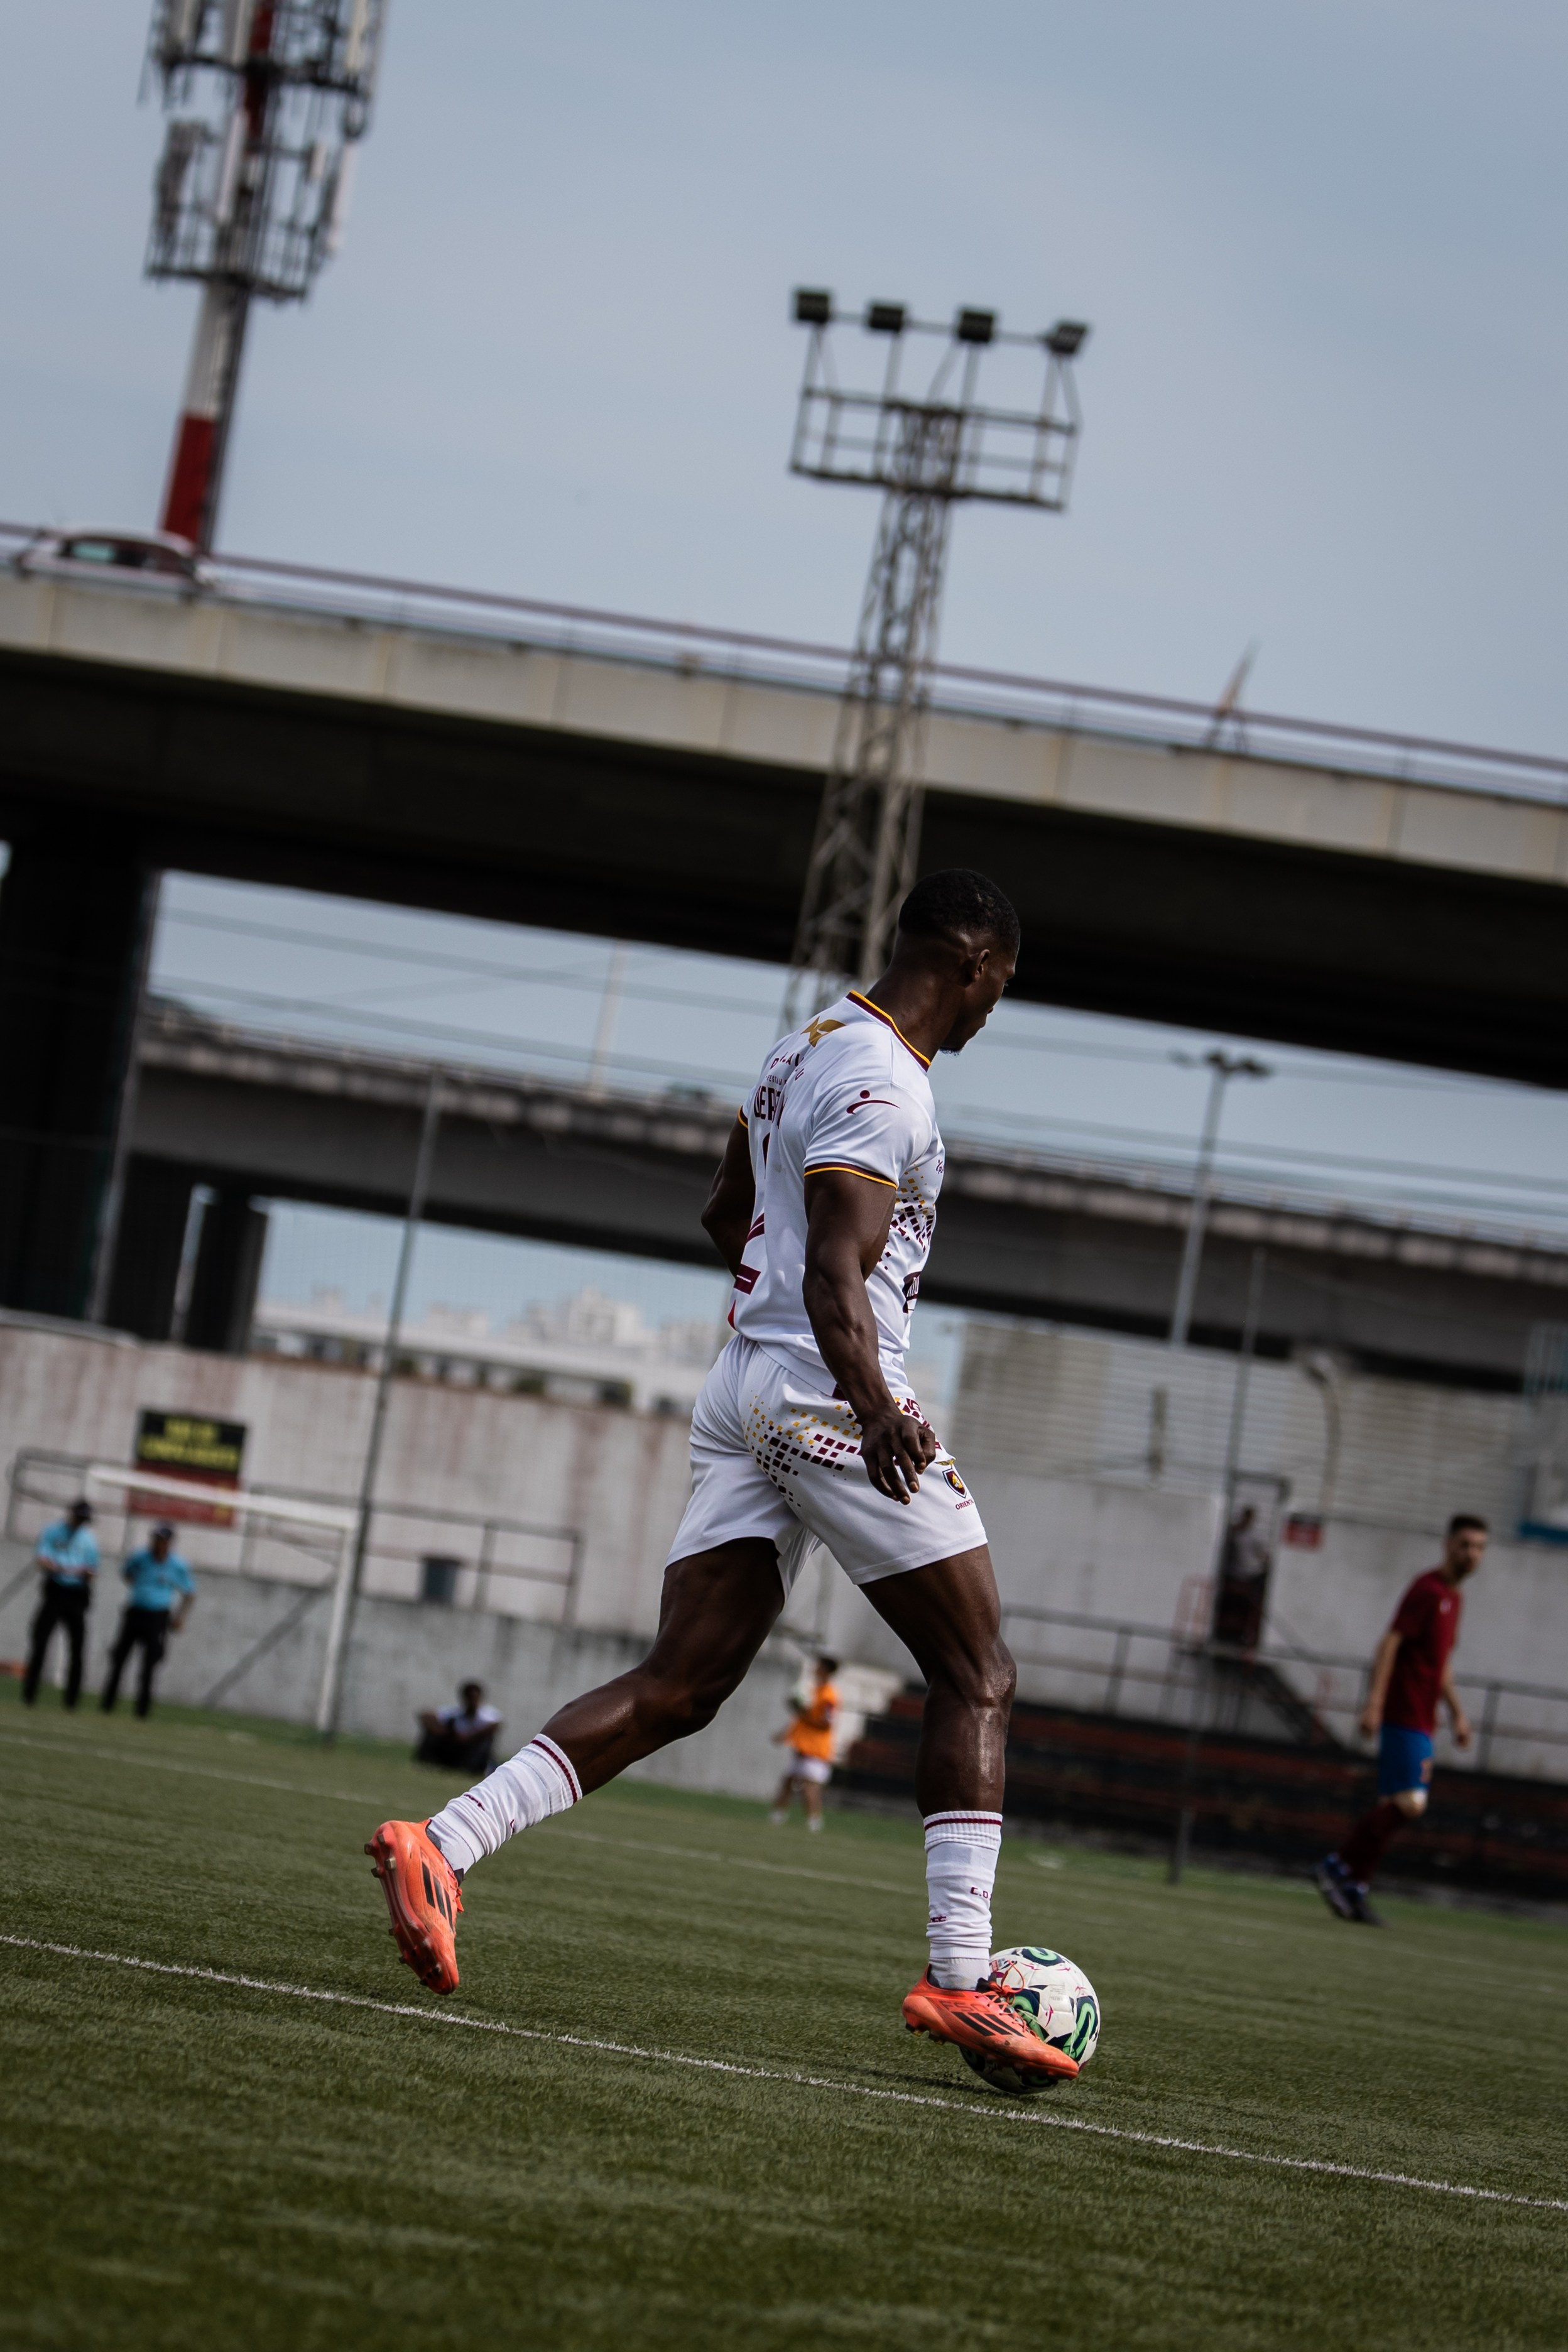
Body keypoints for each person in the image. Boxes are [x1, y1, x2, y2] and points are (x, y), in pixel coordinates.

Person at [367, 869, 1077, 2086]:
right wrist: (873, 1406)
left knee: (683, 1683)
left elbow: (725, 1218)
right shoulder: (879, 1080)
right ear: (969, 962)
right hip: (822, 1390)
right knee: (979, 1671)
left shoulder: (802, 1047)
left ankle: (441, 1844)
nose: (992, 1014)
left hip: (745, 1384)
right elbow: (834, 1277)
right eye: (998, 989)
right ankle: (963, 1981)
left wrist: (802, 1333)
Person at [1315, 1513, 1487, 1925]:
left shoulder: (1454, 1599)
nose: (1472, 1554)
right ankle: (1337, 1867)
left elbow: (1441, 1662)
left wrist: (1458, 1714)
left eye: (1480, 1547)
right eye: (1465, 1544)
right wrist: (1374, 1702)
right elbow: (1390, 1643)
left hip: (1423, 1717)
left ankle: (1354, 1887)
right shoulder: (1427, 1590)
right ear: (1448, 1545)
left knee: (1393, 1805)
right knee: (1411, 1802)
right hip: (1403, 1711)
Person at [99, 1523, 195, 1719]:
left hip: (158, 1617)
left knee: (149, 1664)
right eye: (155, 1539)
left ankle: (142, 1711)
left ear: (168, 1543)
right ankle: (107, 1705)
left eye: (162, 1540)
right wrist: (142, 1589)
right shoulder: (140, 1557)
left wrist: (180, 1618)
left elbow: (190, 1592)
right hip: (135, 1613)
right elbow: (127, 1573)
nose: (157, 1544)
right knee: (120, 1659)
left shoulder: (178, 1565)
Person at [21, 1500, 99, 1710]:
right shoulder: (53, 1531)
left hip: (77, 1596)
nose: (80, 1523)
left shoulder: (89, 1540)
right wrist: (58, 1567)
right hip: (55, 1591)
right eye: (78, 1517)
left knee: (77, 1648)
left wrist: (85, 1574)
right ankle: (30, 1694)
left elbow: (93, 1570)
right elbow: (42, 1558)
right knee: (40, 1642)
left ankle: (72, 1701)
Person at [770, 1655, 839, 1831]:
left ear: (826, 1670)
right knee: (788, 1781)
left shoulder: (829, 1695)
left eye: (819, 1666)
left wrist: (801, 1712)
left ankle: (814, 1821)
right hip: (802, 1746)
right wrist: (785, 1734)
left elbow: (826, 1723)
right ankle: (778, 1815)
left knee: (809, 1786)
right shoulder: (814, 1691)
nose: (815, 1668)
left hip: (816, 1749)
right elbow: (801, 1719)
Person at [416, 1682, 502, 1774]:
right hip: (453, 1747)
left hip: (472, 1748)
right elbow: (425, 1716)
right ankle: (428, 1761)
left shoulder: (487, 1715)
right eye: (470, 1697)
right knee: (431, 1735)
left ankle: (471, 1769)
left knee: (486, 1741)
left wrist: (468, 1737)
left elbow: (496, 1726)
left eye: (475, 1697)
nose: (472, 1701)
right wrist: (443, 1731)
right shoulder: (456, 1712)